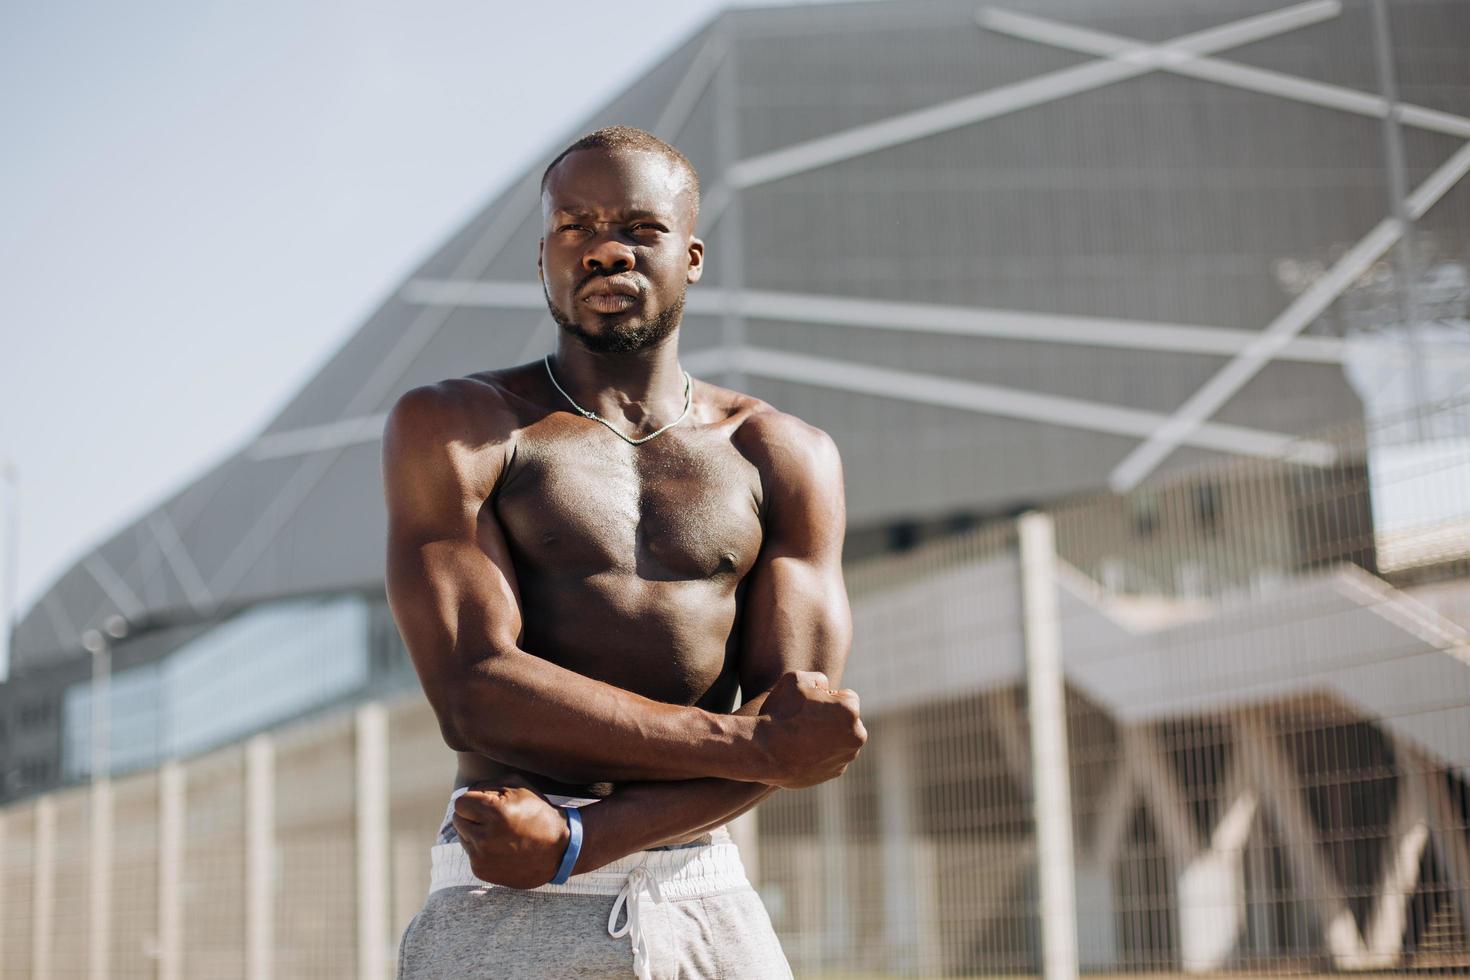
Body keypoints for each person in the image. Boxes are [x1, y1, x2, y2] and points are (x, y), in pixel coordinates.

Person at [384, 125, 865, 979]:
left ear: (692, 254)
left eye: (640, 229)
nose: (606, 250)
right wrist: (759, 749)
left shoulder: (785, 455)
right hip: (509, 897)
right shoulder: (458, 427)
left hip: (704, 893)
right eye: (577, 226)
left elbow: (798, 728)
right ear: (544, 260)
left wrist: (581, 840)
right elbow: (476, 691)